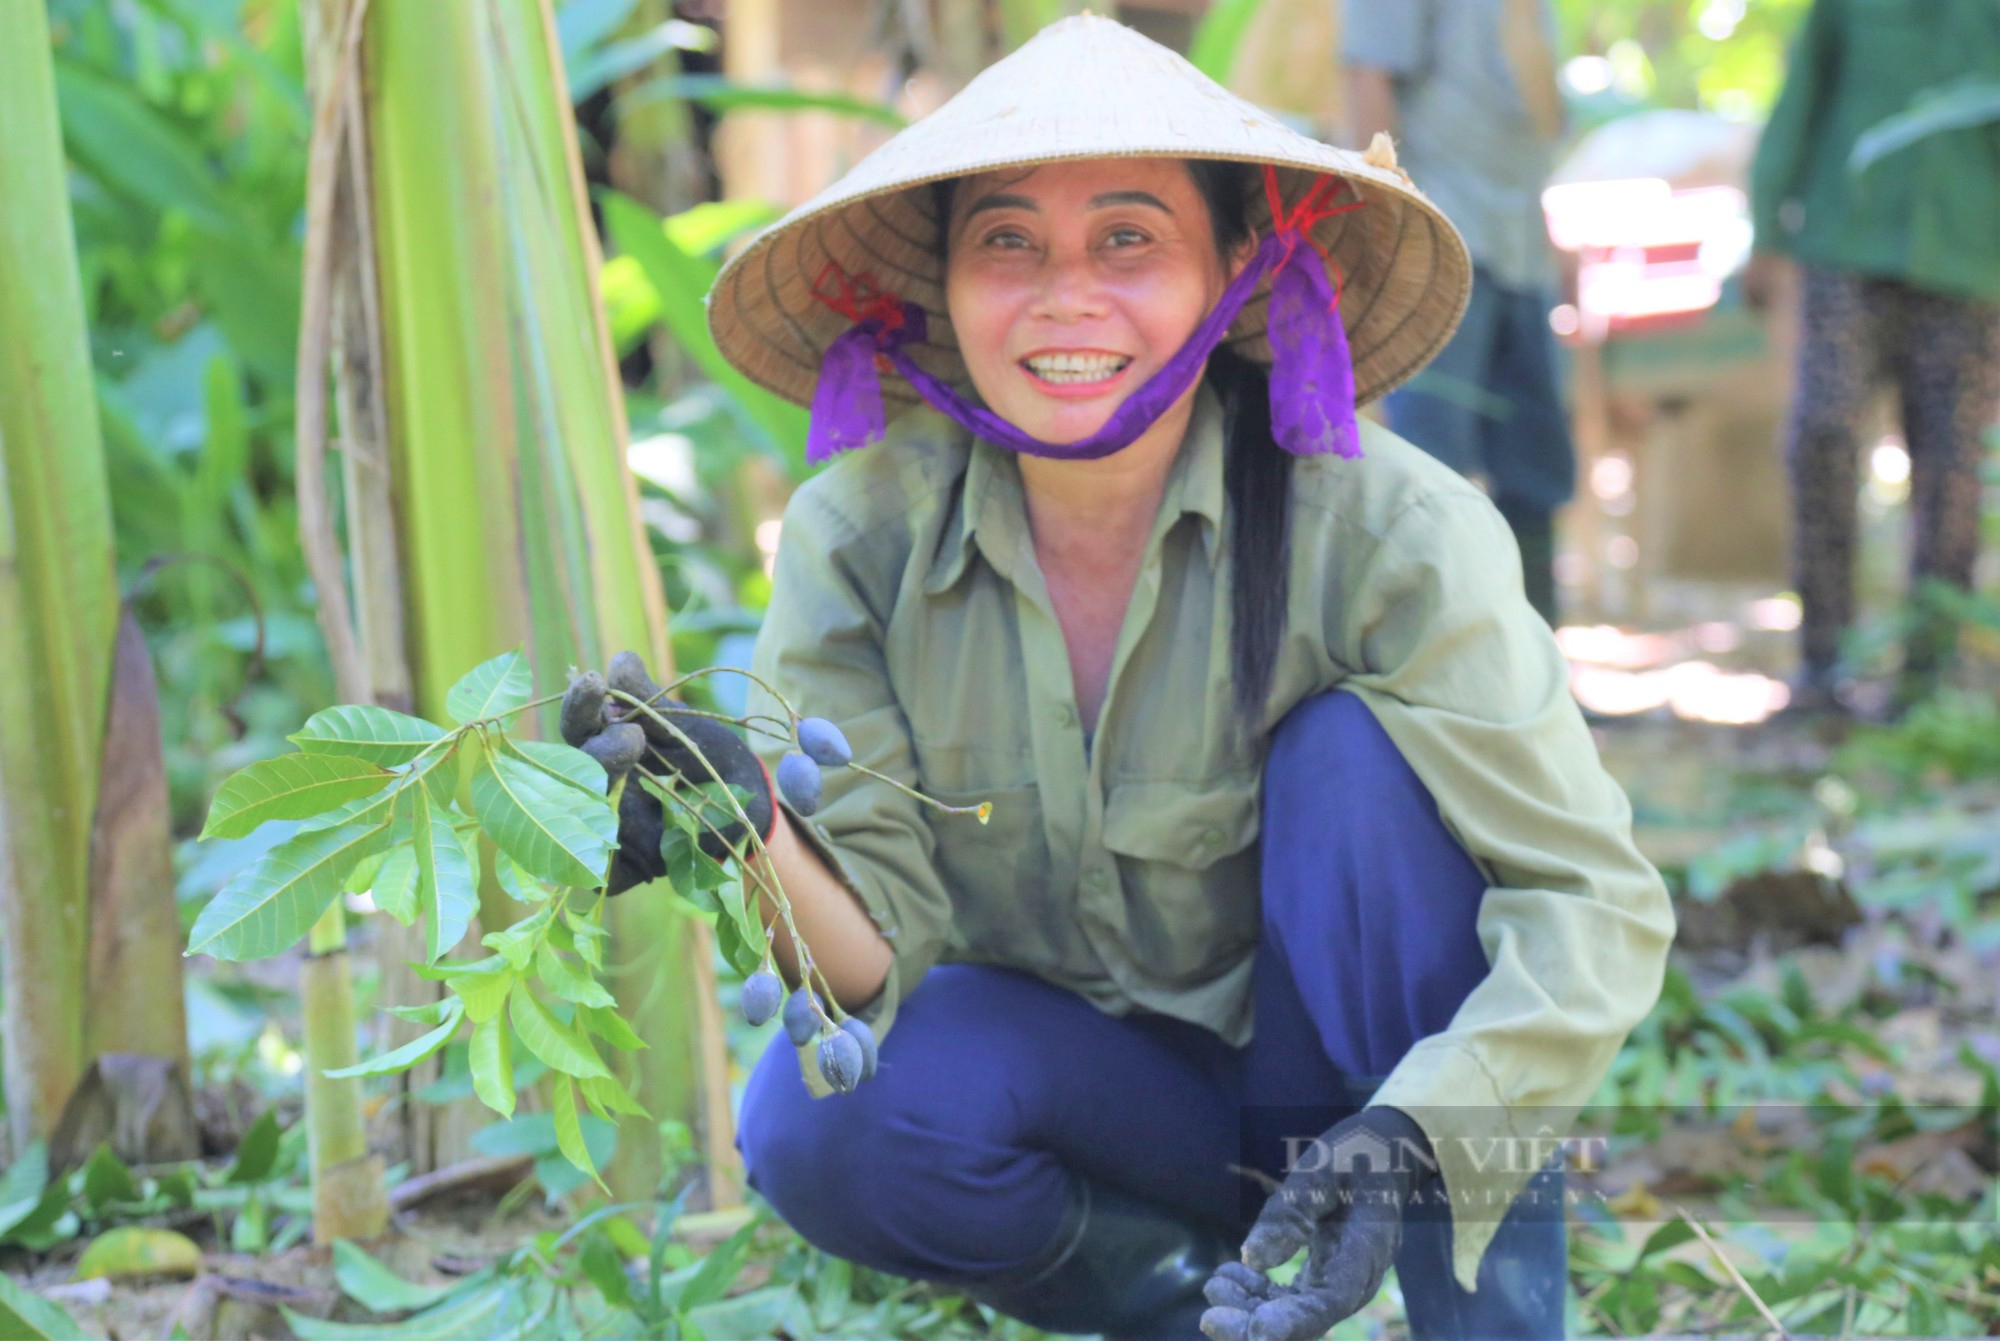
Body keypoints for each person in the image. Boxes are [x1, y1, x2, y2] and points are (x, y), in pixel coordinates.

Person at [564, 16, 1672, 1339]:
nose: (1064, 295)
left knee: (1353, 768)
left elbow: (1592, 907)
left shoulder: (1386, 531)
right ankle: (1181, 1306)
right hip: (1111, 1106)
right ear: (944, 288)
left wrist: (1415, 1137)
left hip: (1365, 1102)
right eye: (1008, 243)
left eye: (1129, 239)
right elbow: (873, 962)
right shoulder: (860, 540)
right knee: (819, 1121)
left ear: (1236, 272)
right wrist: (747, 825)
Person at [1746, 0, 2000, 716]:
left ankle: (1930, 673)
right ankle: (1823, 664)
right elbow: (1800, 102)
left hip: (1969, 265)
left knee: (1952, 467)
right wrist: (1767, 229)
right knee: (1822, 433)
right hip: (1846, 249)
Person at [1342, 0, 1577, 627]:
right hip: (1441, 245)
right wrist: (1386, 238)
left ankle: (1538, 670)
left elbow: (1528, 123)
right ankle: (1432, 667)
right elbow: (1368, 80)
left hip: (1520, 248)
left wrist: (1555, 246)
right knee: (1430, 464)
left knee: (1535, 465)